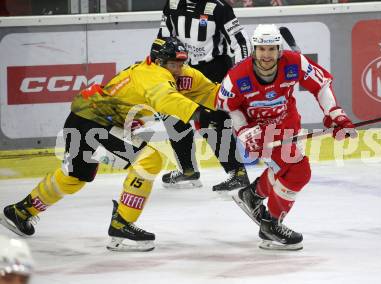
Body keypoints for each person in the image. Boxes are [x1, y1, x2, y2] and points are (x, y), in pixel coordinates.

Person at [0, 37, 220, 252]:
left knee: (75, 177)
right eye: (173, 64)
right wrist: (201, 113)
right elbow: (167, 99)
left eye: (182, 63)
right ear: (158, 61)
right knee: (149, 159)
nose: (179, 69)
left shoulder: (176, 73)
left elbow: (210, 91)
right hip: (91, 124)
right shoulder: (151, 74)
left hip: (88, 121)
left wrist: (234, 100)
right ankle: (121, 226)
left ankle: (19, 212)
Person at [217, 24, 357, 250]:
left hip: (287, 122)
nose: (266, 55)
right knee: (299, 171)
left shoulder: (295, 63)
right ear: (254, 49)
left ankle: (252, 195)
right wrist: (243, 131)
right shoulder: (236, 77)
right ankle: (270, 225)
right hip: (259, 131)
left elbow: (320, 86)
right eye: (261, 49)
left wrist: (334, 114)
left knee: (284, 168)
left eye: (271, 49)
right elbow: (228, 107)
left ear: (279, 49)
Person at [158, 0, 251, 191]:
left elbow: (241, 41)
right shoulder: (173, 4)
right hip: (181, 70)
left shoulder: (219, 7)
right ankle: (188, 169)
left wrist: (242, 74)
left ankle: (237, 173)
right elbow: (162, 39)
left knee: (212, 123)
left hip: (214, 70)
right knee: (173, 114)